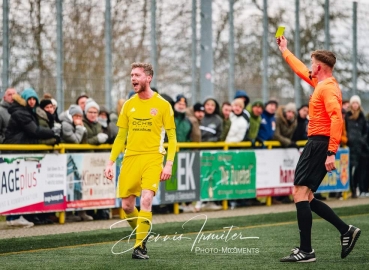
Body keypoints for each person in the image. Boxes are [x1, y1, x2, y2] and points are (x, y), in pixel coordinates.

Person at [277, 35, 361, 262]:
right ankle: (346, 230)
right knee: (307, 196)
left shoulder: (328, 89)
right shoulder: (322, 83)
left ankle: (306, 251)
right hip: (317, 143)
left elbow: (337, 118)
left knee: (299, 193)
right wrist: (285, 50)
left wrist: (331, 151)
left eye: (312, 63)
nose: (310, 66)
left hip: (319, 143)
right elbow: (300, 70)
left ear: (320, 66)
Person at [104, 62, 176, 260]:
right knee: (127, 206)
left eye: (137, 75)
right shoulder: (129, 105)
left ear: (148, 78)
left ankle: (140, 246)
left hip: (153, 157)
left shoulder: (163, 105)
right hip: (130, 158)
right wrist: (110, 162)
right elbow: (120, 137)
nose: (133, 79)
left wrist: (168, 164)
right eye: (131, 75)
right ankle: (142, 232)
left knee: (146, 199)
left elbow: (173, 138)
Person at [345, 95, 369, 198]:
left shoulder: (362, 117)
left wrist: (362, 140)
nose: (355, 105)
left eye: (357, 103)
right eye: (353, 103)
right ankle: (353, 189)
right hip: (350, 147)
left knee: (359, 169)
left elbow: (365, 131)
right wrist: (348, 140)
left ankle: (360, 188)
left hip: (360, 147)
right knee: (350, 169)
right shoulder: (347, 116)